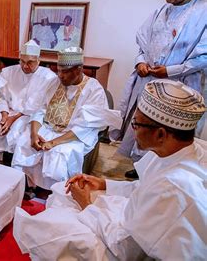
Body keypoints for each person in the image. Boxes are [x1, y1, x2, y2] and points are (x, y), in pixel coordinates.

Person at [14, 79, 206, 260]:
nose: (132, 131)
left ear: (161, 134)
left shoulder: (173, 187)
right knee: (61, 191)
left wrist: (86, 205)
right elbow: (143, 187)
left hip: (125, 245)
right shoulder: (181, 149)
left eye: (136, 124)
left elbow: (125, 249)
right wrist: (103, 183)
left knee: (54, 228)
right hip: (130, 221)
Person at [110, 0, 207, 178]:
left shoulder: (203, 13)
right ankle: (142, 168)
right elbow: (142, 43)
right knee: (147, 126)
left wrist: (170, 71)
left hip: (180, 86)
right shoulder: (160, 11)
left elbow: (204, 57)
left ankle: (165, 173)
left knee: (169, 132)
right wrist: (140, 62)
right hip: (149, 82)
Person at [12, 47, 121, 193]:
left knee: (58, 154)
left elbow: (84, 127)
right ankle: (29, 187)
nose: (60, 76)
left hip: (75, 135)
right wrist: (33, 134)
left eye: (65, 72)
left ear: (79, 69)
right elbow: (39, 110)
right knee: (23, 143)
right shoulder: (53, 83)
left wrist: (53, 142)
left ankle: (56, 194)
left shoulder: (93, 89)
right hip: (48, 128)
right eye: (58, 71)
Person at [0, 40, 56, 162]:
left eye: (30, 62)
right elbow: (1, 97)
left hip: (29, 115)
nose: (25, 66)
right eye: (22, 61)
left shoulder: (48, 78)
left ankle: (16, 168)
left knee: (18, 129)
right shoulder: (8, 72)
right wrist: (4, 115)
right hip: (8, 111)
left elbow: (39, 106)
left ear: (38, 61)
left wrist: (13, 118)